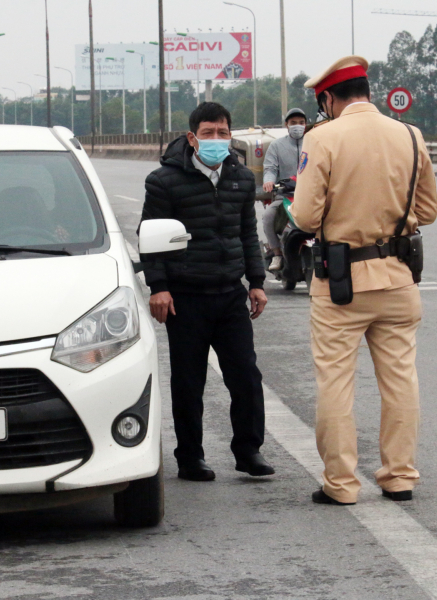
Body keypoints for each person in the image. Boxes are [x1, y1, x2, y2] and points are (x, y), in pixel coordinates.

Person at [290, 56, 437, 505]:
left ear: (329, 98)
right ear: (368, 93)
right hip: (398, 279)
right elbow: (428, 212)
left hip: (342, 285)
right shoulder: (410, 136)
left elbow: (305, 215)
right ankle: (399, 477)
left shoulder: (322, 137)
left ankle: (341, 485)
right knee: (400, 380)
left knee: (336, 382)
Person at [139, 102, 274, 482]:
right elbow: (150, 239)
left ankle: (249, 450)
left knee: (245, 375)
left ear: (231, 136)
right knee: (188, 380)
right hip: (186, 296)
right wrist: (159, 288)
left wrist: (257, 283)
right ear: (192, 137)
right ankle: (190, 457)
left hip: (230, 292)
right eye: (209, 133)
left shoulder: (241, 178)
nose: (217, 139)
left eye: (223, 132)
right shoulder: (164, 181)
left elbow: (248, 233)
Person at [262, 108, 307, 271]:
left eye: (301, 123)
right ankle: (277, 254)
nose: (297, 126)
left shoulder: (314, 143)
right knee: (268, 217)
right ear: (286, 125)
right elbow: (270, 168)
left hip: (311, 196)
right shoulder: (276, 145)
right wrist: (269, 182)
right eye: (293, 123)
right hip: (285, 197)